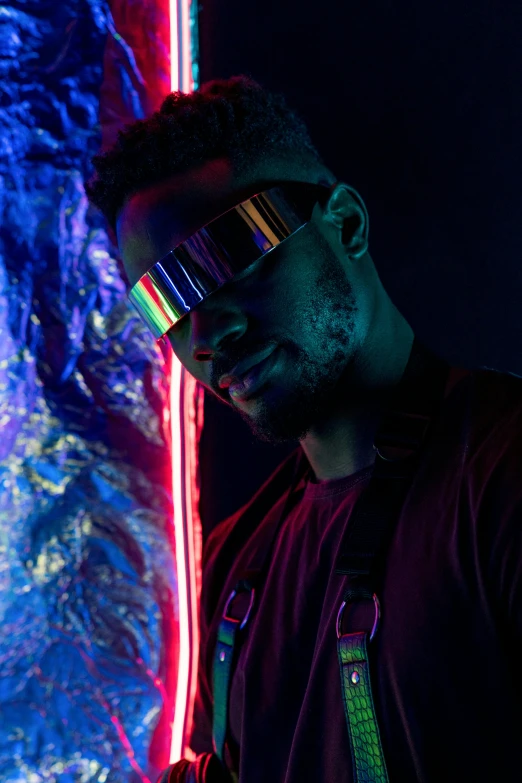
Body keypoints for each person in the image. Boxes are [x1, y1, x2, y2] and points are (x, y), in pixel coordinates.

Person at [87, 77, 522, 783]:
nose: (207, 333)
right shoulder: (237, 565)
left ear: (345, 223)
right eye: (166, 300)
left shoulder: (501, 477)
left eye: (231, 253)